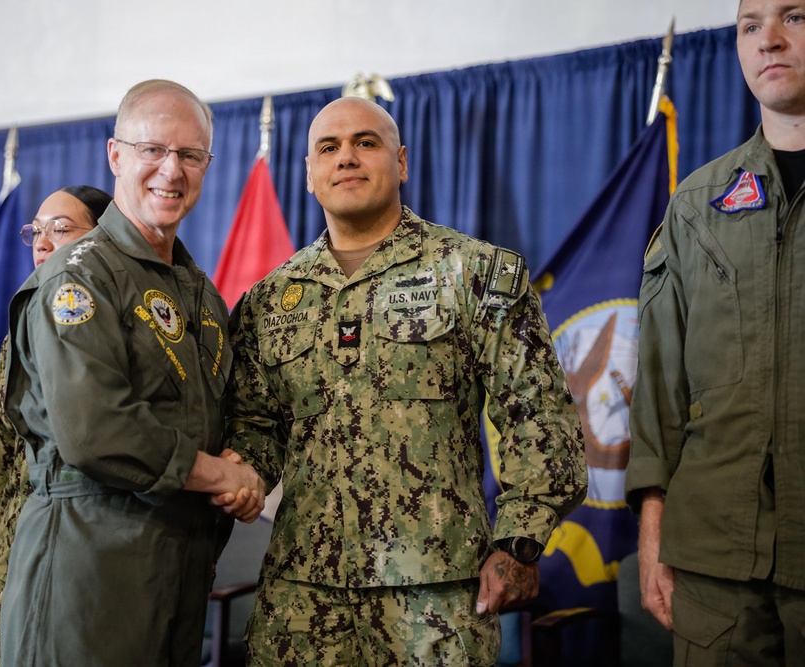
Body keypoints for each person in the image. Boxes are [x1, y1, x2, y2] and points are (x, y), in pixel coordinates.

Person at [223, 97, 587, 666]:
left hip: (433, 595)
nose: (346, 157)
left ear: (402, 162)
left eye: (365, 143)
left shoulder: (474, 272)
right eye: (329, 148)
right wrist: (241, 473)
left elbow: (536, 413)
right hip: (302, 596)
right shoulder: (268, 302)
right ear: (311, 175)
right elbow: (255, 427)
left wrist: (520, 542)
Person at [0, 80, 265, 667]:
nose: (172, 170)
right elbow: (96, 431)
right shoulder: (79, 278)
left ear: (207, 166)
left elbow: (220, 414)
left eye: (190, 154)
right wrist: (218, 474)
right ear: (116, 156)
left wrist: (245, 472)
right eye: (153, 150)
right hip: (90, 567)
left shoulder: (200, 293)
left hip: (179, 570)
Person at [626, 0, 805, 663]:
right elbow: (658, 382)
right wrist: (653, 522)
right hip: (714, 562)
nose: (769, 40)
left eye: (795, 17)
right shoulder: (696, 207)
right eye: (751, 25)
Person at [0, 184, 112, 667]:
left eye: (60, 229)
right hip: (15, 550)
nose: (41, 242)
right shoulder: (20, 328)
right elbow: (3, 466)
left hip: (76, 555)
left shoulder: (113, 324)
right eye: (35, 231)